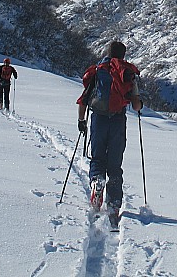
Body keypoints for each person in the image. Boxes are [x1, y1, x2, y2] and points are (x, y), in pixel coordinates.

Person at [77, 41, 142, 226]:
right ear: (124, 55)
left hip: (98, 119)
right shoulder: (127, 74)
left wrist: (81, 121)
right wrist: (140, 104)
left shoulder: (98, 70)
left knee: (97, 158)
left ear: (108, 52)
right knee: (115, 164)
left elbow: (84, 99)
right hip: (118, 120)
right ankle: (113, 204)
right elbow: (136, 105)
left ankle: (97, 181)